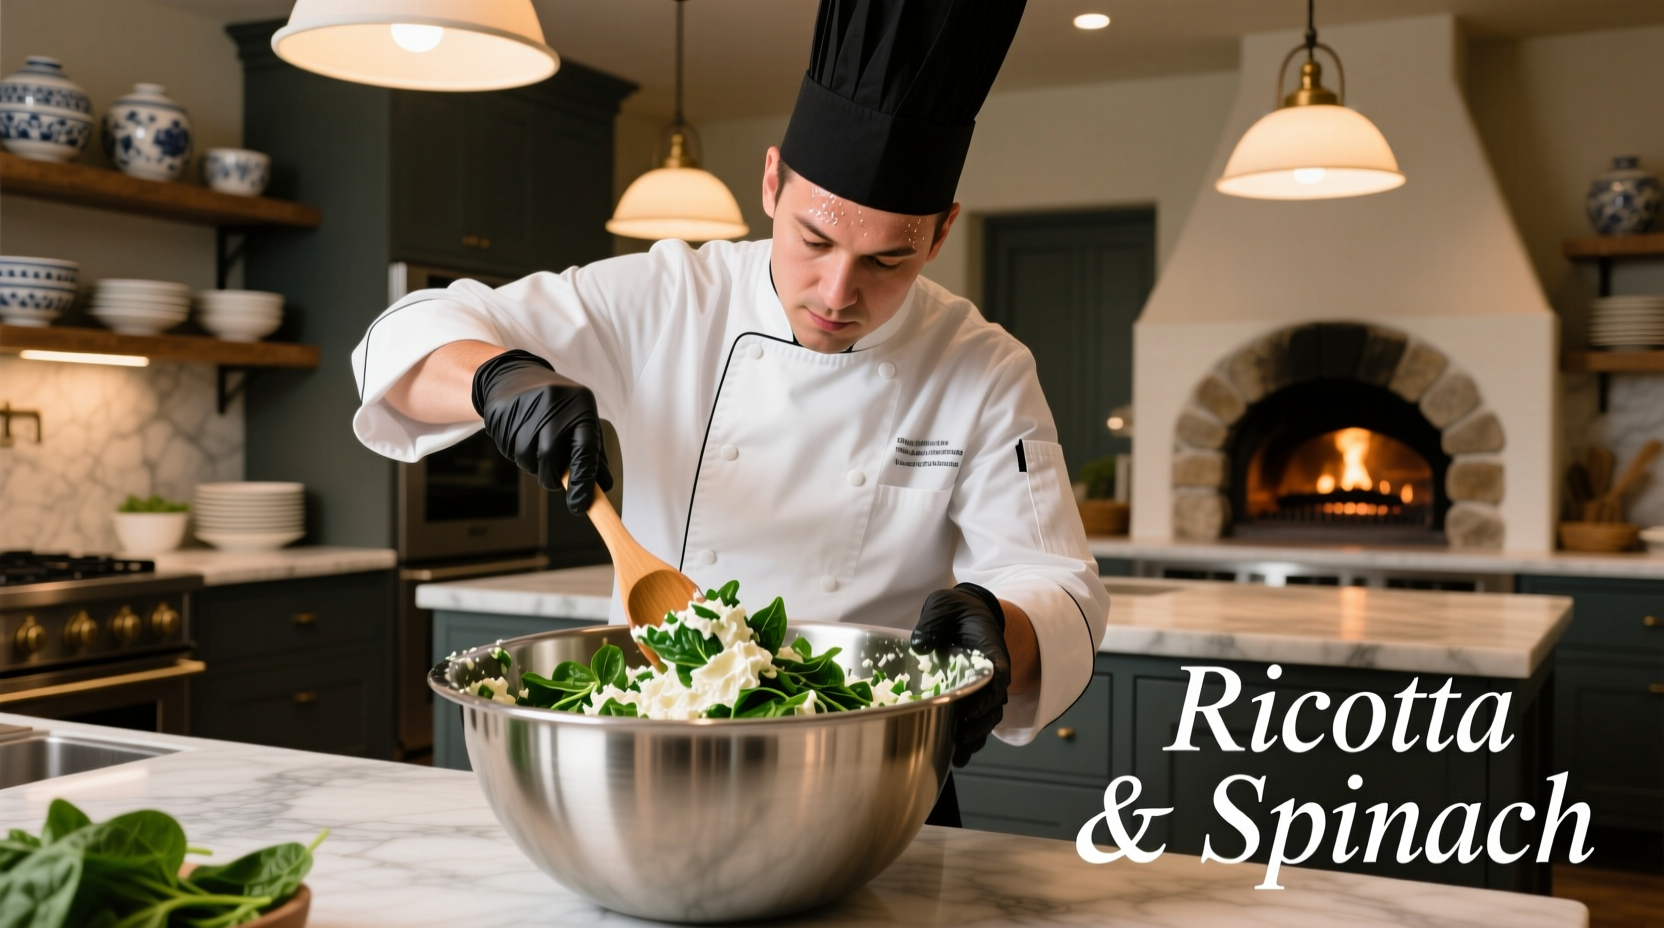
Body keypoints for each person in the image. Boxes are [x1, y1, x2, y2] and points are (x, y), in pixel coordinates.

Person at [351, 0, 1108, 825]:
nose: (837, 293)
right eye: (813, 240)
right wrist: (497, 381)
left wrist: (1000, 629)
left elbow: (1056, 581)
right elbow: (406, 334)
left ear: (939, 235)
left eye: (888, 259)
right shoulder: (671, 295)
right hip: (656, 749)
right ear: (772, 182)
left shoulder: (983, 366)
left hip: (870, 775)